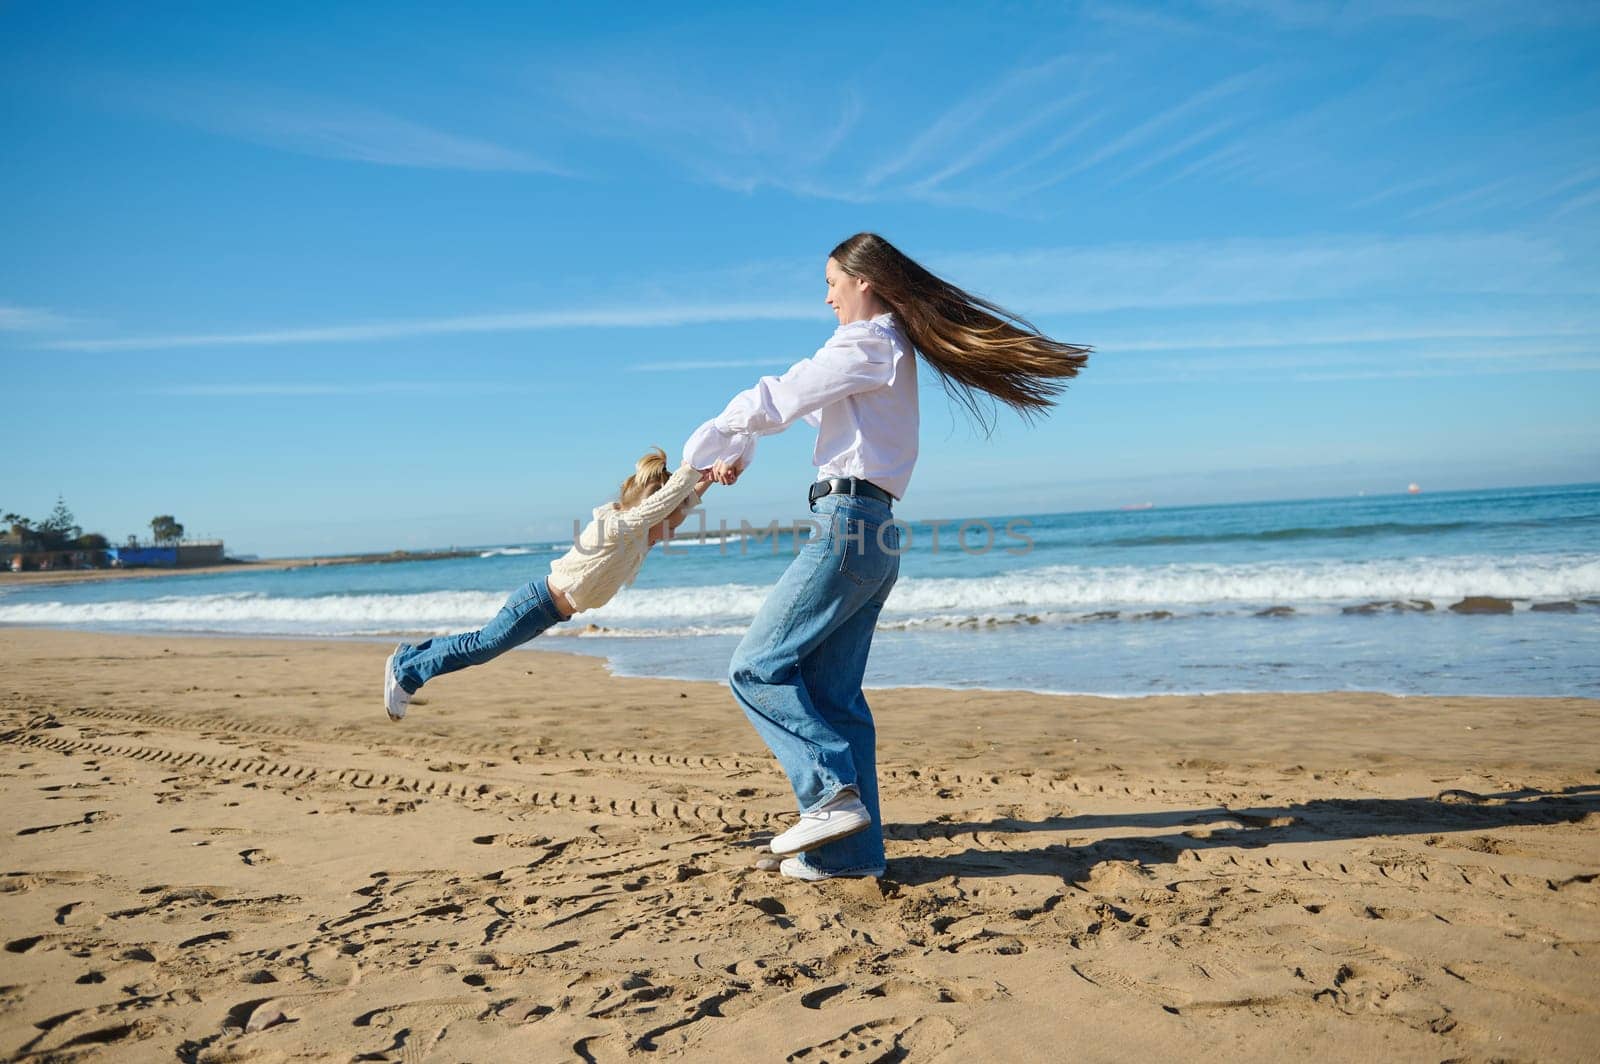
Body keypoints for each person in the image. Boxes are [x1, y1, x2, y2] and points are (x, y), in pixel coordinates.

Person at [685, 232, 1089, 881]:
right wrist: (734, 454)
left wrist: (706, 445)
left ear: (863, 282)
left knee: (756, 669)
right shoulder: (886, 352)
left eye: (832, 283)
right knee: (836, 699)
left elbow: (781, 395)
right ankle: (850, 858)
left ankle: (828, 797)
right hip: (874, 531)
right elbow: (807, 410)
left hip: (847, 529)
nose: (827, 298)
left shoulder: (869, 341)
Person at [384, 448, 711, 720]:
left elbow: (677, 509)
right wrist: (689, 468)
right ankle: (406, 672)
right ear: (653, 507)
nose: (674, 527)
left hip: (549, 612)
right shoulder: (614, 526)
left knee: (480, 645)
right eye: (668, 516)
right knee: (481, 647)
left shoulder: (637, 538)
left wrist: (706, 479)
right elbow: (655, 510)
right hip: (537, 603)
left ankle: (410, 657)